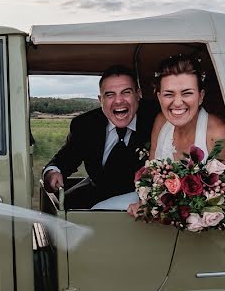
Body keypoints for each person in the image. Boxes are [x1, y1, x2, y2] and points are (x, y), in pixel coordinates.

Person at [125, 53, 225, 215]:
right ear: (159, 97)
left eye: (187, 93)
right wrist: (144, 202)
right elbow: (150, 174)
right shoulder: (161, 121)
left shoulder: (219, 133)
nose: (177, 103)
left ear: (201, 96)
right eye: (168, 94)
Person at [43, 65, 156, 209]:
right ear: (100, 99)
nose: (119, 101)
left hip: (142, 201)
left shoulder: (155, 120)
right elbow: (65, 159)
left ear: (138, 94)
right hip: (97, 191)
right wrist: (52, 173)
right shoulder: (85, 125)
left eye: (126, 92)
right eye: (110, 95)